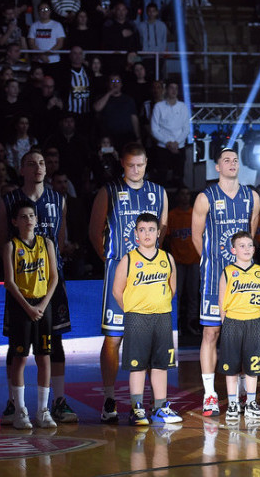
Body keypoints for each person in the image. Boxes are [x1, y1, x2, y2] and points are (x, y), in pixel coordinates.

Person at [88, 142, 167, 423]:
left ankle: (144, 403)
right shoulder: (108, 190)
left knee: (148, 338)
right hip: (120, 271)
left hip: (149, 276)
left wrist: (151, 262)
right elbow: (95, 231)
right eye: (131, 164)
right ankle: (109, 399)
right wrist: (116, 263)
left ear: (146, 164)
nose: (136, 170)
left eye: (141, 164)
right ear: (122, 163)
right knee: (113, 337)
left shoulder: (158, 193)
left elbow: (163, 231)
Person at [0, 150, 76, 426]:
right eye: (31, 163)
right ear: (21, 169)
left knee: (54, 342)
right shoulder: (7, 200)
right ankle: (13, 404)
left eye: (42, 163)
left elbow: (62, 237)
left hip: (51, 283)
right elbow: (2, 242)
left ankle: (57, 401)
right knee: (16, 347)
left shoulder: (59, 198)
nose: (38, 168)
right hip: (22, 284)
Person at [191, 147, 259, 416]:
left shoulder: (252, 197)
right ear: (216, 167)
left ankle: (243, 391)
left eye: (235, 160)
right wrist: (212, 263)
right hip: (213, 277)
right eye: (226, 160)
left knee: (241, 336)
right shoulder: (205, 198)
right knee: (211, 333)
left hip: (241, 279)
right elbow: (197, 237)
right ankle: (209, 394)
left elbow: (250, 238)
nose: (231, 164)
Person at [111, 213, 182, 425]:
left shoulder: (167, 258)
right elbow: (117, 291)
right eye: (142, 230)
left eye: (151, 229)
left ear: (158, 232)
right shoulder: (129, 259)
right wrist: (132, 311)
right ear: (136, 234)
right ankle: (137, 407)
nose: (147, 234)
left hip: (161, 318)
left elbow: (172, 288)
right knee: (138, 365)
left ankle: (160, 407)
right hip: (137, 319)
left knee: (161, 364)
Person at [2, 200, 59, 429]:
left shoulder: (47, 243)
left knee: (44, 356)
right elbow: (9, 282)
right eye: (23, 217)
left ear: (36, 219)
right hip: (21, 306)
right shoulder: (11, 246)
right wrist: (28, 308)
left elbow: (54, 277)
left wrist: (43, 305)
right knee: (20, 358)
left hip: (43, 305)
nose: (28, 220)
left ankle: (43, 410)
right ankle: (20, 411)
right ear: (15, 221)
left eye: (31, 216)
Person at [217, 231, 260, 421]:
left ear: (254, 249)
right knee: (232, 367)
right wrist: (226, 323)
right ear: (233, 250)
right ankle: (232, 403)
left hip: (254, 321)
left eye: (249, 245)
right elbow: (222, 301)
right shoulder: (228, 272)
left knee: (253, 365)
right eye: (242, 245)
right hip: (233, 322)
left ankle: (251, 402)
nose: (246, 249)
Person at [165, 187, 200, 336]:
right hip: (177, 261)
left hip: (194, 260)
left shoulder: (196, 214)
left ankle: (192, 323)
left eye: (187, 194)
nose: (185, 197)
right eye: (182, 194)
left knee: (193, 294)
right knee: (175, 294)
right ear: (178, 197)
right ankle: (176, 324)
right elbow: (166, 238)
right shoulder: (172, 215)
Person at [150, 81, 190, 186]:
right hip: (162, 147)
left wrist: (176, 143)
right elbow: (154, 129)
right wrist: (167, 143)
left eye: (176, 88)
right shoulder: (158, 106)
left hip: (179, 146)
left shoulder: (183, 107)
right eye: (171, 88)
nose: (174, 91)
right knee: (161, 177)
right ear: (166, 90)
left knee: (179, 177)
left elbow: (186, 129)